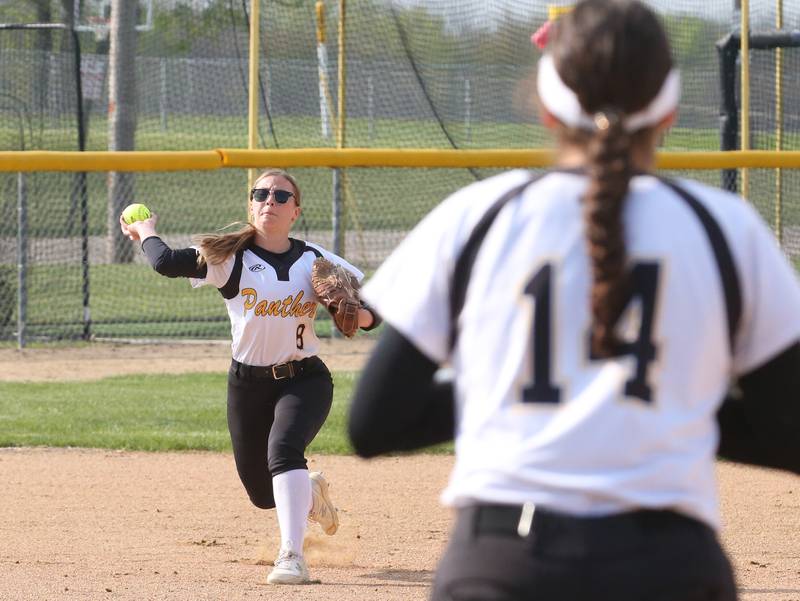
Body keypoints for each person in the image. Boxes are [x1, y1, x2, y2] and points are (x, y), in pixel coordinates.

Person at [347, 1, 800, 600]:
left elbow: (374, 424)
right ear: (667, 108)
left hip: (505, 559)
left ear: (545, 108)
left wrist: (524, 386)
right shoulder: (726, 228)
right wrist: (667, 399)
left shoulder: (480, 217)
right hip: (669, 564)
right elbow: (788, 432)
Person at [120, 168, 380, 585]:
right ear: (250, 205)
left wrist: (355, 312)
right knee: (262, 494)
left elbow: (372, 314)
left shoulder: (316, 260)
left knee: (284, 451)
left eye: (281, 196)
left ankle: (292, 556)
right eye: (261, 194)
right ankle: (309, 492)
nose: (269, 202)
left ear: (295, 211)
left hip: (304, 379)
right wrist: (146, 230)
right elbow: (166, 262)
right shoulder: (229, 258)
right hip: (247, 385)